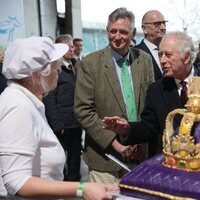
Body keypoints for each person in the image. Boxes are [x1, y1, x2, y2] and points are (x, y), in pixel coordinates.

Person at [0, 36, 118, 200]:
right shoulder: (18, 107)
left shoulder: (26, 101)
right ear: (37, 74)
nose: (59, 70)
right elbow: (16, 182)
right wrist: (82, 188)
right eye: (55, 64)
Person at [74, 7, 154, 184]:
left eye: (123, 32)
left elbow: (150, 105)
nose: (117, 37)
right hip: (105, 159)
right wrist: (117, 145)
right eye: (113, 31)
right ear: (107, 30)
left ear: (133, 33)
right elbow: (83, 111)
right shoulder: (90, 63)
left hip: (140, 155)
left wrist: (140, 139)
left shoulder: (144, 60)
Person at [103, 31, 200, 158]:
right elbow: (149, 128)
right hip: (171, 166)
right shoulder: (156, 90)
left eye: (168, 55)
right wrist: (127, 129)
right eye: (160, 55)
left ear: (186, 57)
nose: (162, 60)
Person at [43, 34, 82, 181]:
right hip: (62, 123)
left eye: (73, 46)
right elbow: (50, 99)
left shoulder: (76, 66)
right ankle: (61, 182)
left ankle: (74, 180)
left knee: (75, 155)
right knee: (59, 156)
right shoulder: (55, 69)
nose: (73, 49)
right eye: (69, 46)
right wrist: (57, 123)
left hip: (76, 120)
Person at [135, 10, 167, 81]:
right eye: (157, 24)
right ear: (144, 29)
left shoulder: (170, 51)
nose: (163, 28)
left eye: (164, 23)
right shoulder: (135, 53)